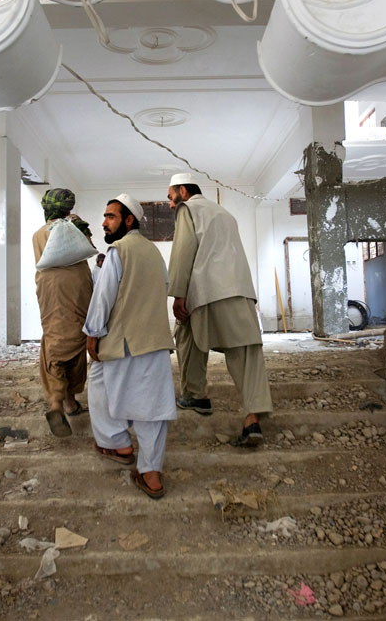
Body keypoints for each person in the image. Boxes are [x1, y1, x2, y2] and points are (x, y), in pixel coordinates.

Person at [167, 173, 273, 446]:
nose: (170, 204)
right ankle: (252, 420)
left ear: (182, 191)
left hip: (208, 289)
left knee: (185, 331)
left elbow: (183, 251)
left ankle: (195, 395)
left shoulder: (187, 209)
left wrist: (178, 293)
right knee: (246, 351)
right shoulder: (224, 214)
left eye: (170, 197)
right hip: (240, 289)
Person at [84, 194, 177, 499]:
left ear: (128, 220)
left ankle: (118, 443)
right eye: (105, 216)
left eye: (110, 217)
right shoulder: (152, 251)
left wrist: (93, 332)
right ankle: (150, 473)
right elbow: (164, 287)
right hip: (155, 342)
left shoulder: (117, 251)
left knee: (98, 384)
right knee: (153, 409)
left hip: (123, 342)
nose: (104, 222)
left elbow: (104, 296)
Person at [33, 188, 93, 437]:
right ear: (68, 208)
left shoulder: (38, 235)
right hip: (78, 287)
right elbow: (90, 247)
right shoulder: (77, 227)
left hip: (49, 289)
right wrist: (76, 223)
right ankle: (70, 401)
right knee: (78, 338)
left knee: (54, 340)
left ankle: (57, 401)